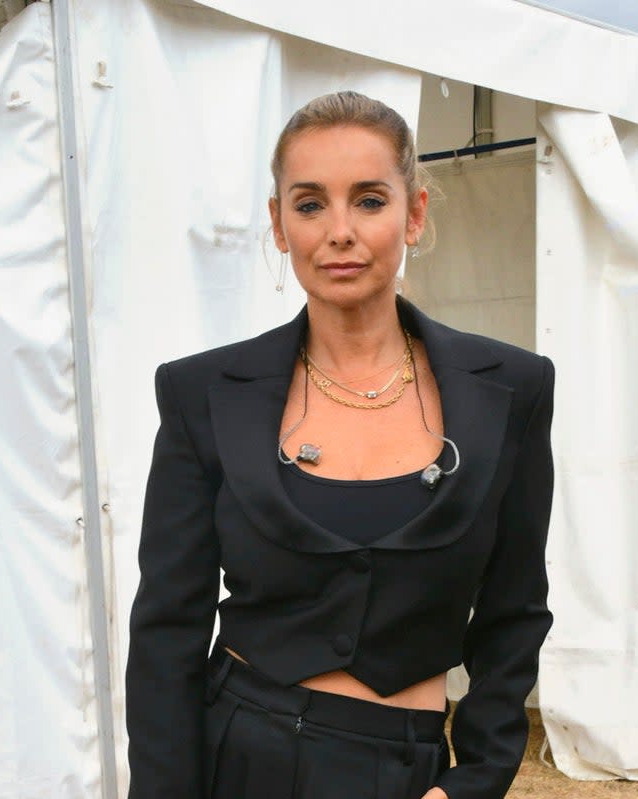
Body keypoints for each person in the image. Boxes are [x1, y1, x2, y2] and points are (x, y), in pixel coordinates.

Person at [125, 91, 555, 799]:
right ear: (279, 224)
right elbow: (167, 631)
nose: (340, 231)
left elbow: (515, 612)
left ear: (414, 213)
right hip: (238, 756)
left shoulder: (509, 390)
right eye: (310, 203)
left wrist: (475, 778)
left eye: (369, 200)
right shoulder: (202, 393)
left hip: (406, 771)